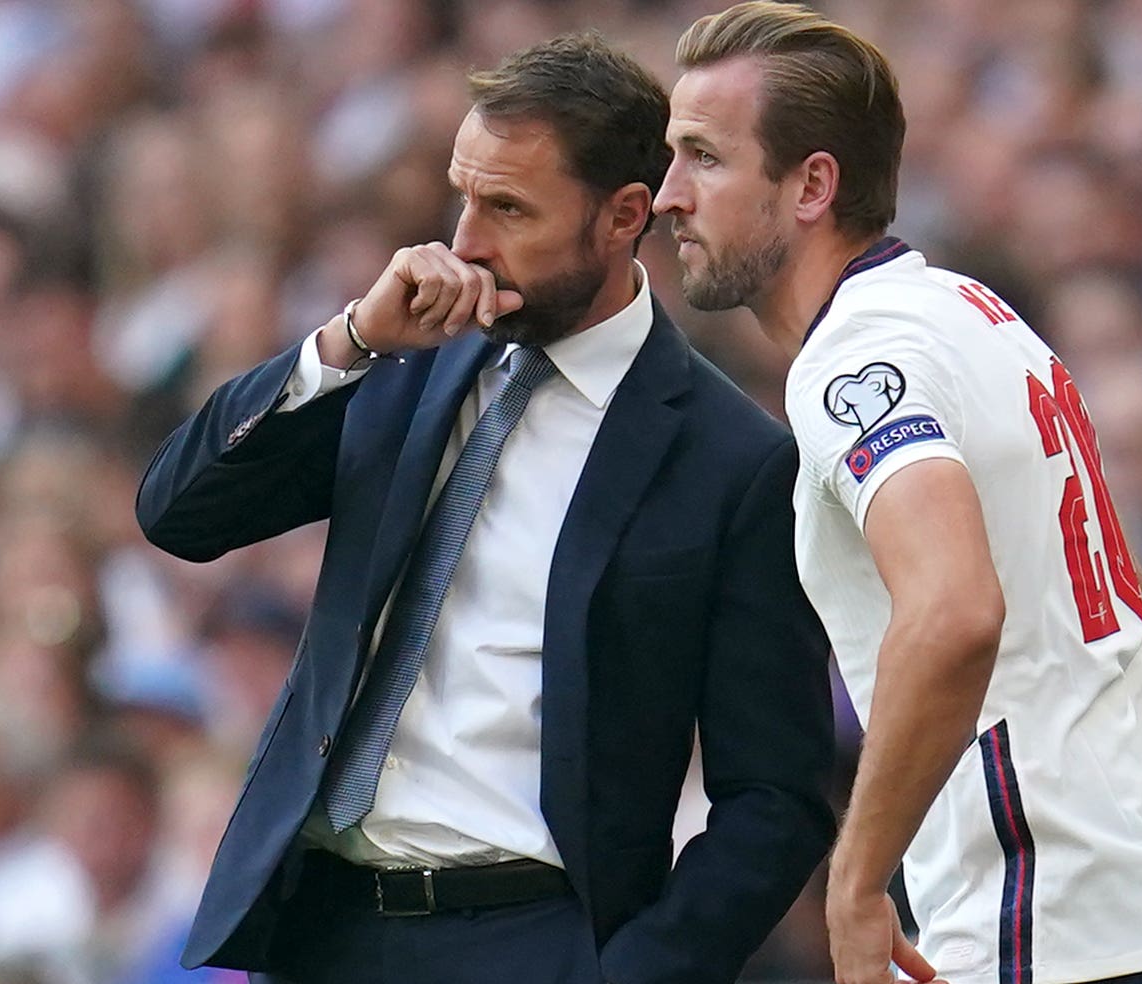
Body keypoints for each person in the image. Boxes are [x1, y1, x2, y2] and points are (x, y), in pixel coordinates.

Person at [136, 32, 835, 984]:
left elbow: (777, 797)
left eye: (508, 207)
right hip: (319, 928)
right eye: (463, 193)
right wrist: (345, 343)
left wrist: (633, 974)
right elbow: (181, 513)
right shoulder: (403, 352)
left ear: (624, 215)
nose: (464, 239)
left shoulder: (733, 461)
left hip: (527, 938)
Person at [654, 4, 1142, 984]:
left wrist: (855, 880)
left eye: (704, 157)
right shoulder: (972, 310)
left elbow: (957, 609)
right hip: (1139, 906)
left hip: (1040, 927)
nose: (668, 195)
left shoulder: (858, 359)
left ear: (812, 186)